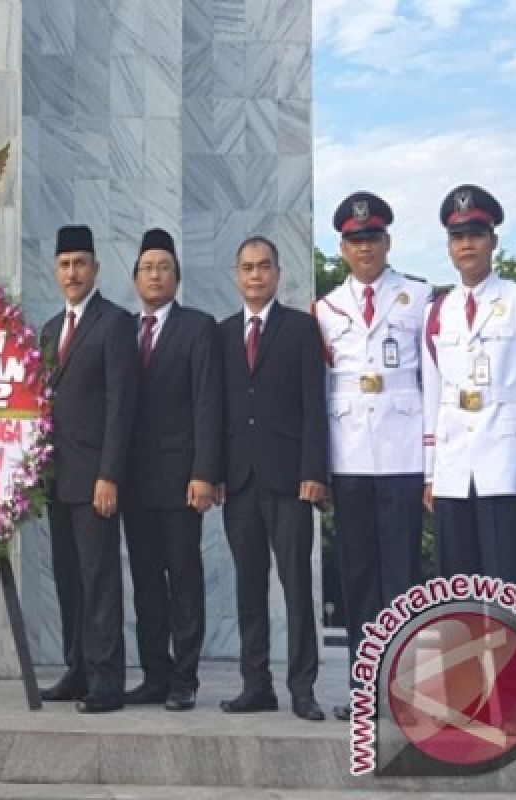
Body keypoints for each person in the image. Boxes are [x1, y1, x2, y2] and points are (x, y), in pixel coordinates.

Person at [314, 193, 430, 722]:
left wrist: (434, 464)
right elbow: (318, 392)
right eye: (355, 240)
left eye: (373, 238)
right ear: (342, 247)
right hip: (351, 459)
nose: (365, 248)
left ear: (388, 242)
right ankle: (366, 690)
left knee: (402, 576)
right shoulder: (325, 308)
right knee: (357, 578)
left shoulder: (420, 298)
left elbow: (438, 382)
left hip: (404, 456)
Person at [422, 185, 516, 597]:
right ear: (448, 247)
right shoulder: (437, 310)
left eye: (476, 236)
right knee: (456, 587)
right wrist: (430, 472)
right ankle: (464, 664)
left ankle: (515, 664)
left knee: (507, 584)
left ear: (492, 241)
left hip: (504, 462)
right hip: (453, 466)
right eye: (458, 237)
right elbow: (434, 395)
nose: (467, 246)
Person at [218, 235, 328, 721]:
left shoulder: (302, 329)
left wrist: (313, 471)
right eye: (247, 268)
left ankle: (302, 687)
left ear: (278, 273)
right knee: (248, 586)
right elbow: (215, 410)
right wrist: (214, 472)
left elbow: (314, 407)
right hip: (239, 481)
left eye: (264, 266)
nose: (256, 275)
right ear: (237, 275)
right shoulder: (220, 335)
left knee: (296, 585)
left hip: (290, 481)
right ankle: (255, 683)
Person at [37, 224, 138, 714]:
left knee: (99, 581)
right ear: (56, 271)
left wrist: (110, 474)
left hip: (96, 479)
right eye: (64, 264)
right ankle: (77, 669)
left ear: (96, 269)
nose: (72, 272)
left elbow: (122, 405)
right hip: (58, 480)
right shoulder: (51, 328)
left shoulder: (115, 323)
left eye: (80, 263)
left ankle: (106, 682)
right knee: (69, 581)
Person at [122, 228, 222, 712]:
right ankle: (153, 675)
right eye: (147, 268)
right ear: (135, 278)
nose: (155, 274)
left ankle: (185, 678)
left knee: (183, 579)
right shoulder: (122, 329)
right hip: (134, 483)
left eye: (164, 267)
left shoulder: (197, 328)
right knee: (144, 582)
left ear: (177, 277)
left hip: (183, 480)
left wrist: (205, 473)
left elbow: (207, 404)